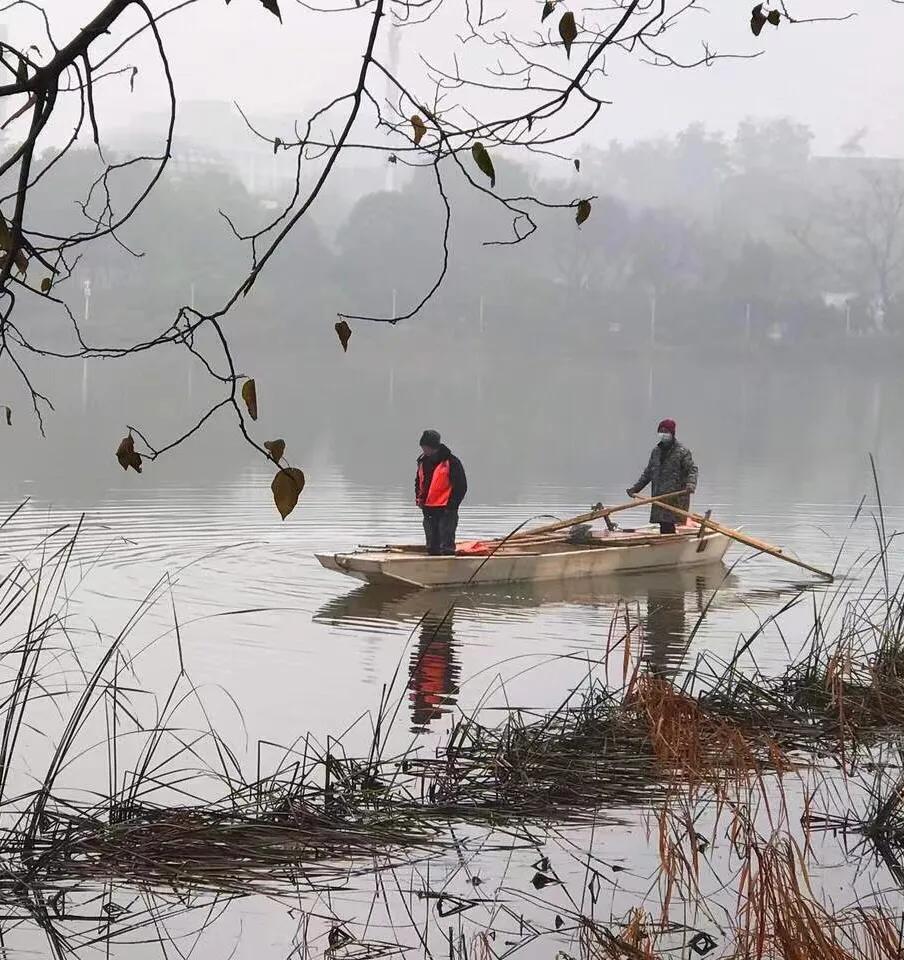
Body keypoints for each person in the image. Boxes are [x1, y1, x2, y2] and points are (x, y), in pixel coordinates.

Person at [626, 418, 698, 535]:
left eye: (666, 431)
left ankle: (672, 547)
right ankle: (667, 546)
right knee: (663, 524)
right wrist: (635, 489)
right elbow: (648, 473)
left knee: (669, 523)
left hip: (675, 497)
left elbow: (692, 470)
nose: (663, 434)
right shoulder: (656, 452)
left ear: (672, 433)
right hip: (659, 497)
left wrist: (691, 485)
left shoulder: (682, 452)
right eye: (661, 431)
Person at [415, 430, 467, 556]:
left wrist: (452, 506)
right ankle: (432, 568)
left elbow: (461, 487)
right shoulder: (422, 461)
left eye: (426, 447)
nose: (424, 450)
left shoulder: (452, 462)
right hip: (428, 509)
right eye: (423, 447)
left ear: (434, 447)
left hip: (446, 509)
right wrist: (419, 499)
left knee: (446, 545)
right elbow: (418, 482)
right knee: (432, 546)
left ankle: (447, 567)